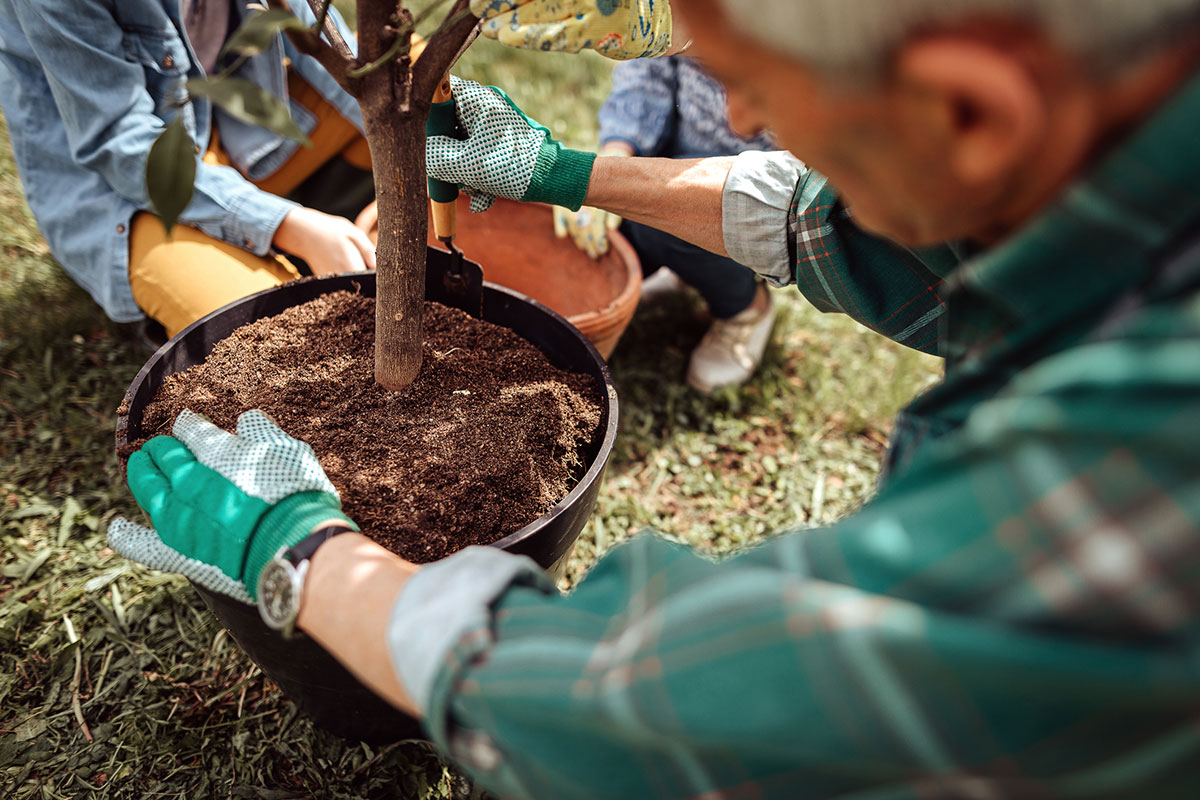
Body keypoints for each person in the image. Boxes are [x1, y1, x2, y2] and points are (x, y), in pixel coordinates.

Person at [110, 0, 1200, 798]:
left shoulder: (1147, 458)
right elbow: (870, 221)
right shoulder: (1124, 165)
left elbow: (683, 717)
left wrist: (309, 554)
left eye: (751, 77)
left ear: (969, 105)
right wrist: (566, 170)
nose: (731, 110)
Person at [0, 0, 376, 343]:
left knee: (422, 90)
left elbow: (319, 37)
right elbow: (122, 146)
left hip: (234, 126)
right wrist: (289, 226)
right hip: (126, 189)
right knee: (272, 335)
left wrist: (409, 165)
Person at [557, 55, 778, 392]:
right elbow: (648, 67)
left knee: (660, 222)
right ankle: (680, 267)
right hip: (668, 156)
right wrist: (618, 155)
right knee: (610, 243)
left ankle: (747, 308)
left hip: (756, 189)